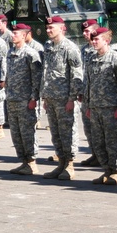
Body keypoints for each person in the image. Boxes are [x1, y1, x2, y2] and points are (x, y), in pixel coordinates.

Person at [82, 27, 117, 185]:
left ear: (107, 41)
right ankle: (107, 170)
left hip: (111, 108)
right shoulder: (91, 59)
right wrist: (88, 105)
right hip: (95, 108)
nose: (94, 42)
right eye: (93, 39)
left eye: (97, 39)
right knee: (98, 141)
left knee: (113, 141)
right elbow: (88, 84)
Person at [40, 16, 84, 180]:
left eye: (52, 27)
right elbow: (46, 72)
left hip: (65, 98)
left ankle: (70, 165)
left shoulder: (70, 48)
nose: (48, 30)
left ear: (62, 28)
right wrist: (44, 96)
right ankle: (61, 163)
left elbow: (76, 74)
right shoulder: (48, 46)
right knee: (56, 133)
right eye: (47, 27)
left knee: (67, 132)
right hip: (51, 97)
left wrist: (72, 98)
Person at [5, 24, 43, 175]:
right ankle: (24, 161)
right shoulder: (10, 52)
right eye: (12, 33)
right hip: (12, 98)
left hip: (25, 100)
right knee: (16, 133)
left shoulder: (31, 54)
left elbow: (37, 77)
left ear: (24, 35)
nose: (12, 35)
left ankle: (32, 162)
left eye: (16, 33)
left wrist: (34, 98)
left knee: (27, 132)